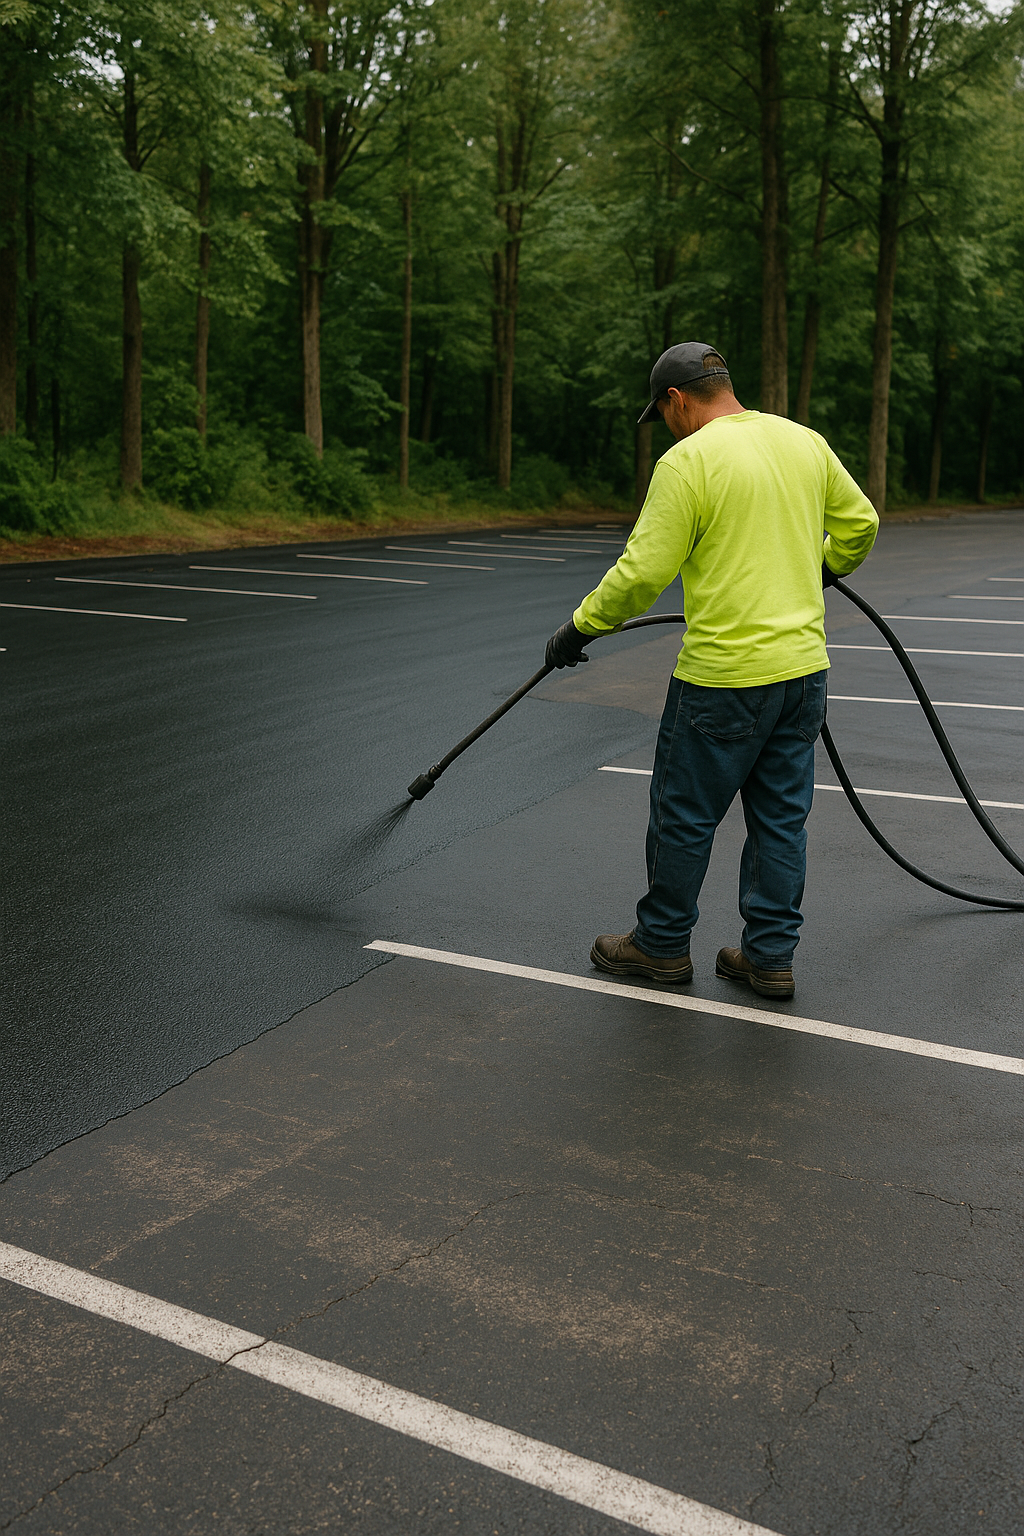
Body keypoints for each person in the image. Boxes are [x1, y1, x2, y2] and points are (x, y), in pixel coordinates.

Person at [545, 341, 878, 999]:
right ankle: (768, 958)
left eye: (660, 412)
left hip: (723, 679)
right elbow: (860, 524)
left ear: (675, 399)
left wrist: (577, 629)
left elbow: (641, 575)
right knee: (781, 820)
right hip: (803, 672)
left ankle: (661, 946)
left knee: (685, 815)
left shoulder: (688, 462)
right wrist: (824, 568)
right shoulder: (803, 442)